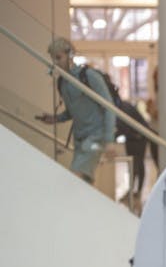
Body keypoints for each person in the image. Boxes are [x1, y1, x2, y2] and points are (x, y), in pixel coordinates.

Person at [35, 37, 116, 184]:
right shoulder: (62, 83)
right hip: (79, 140)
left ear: (70, 55)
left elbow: (109, 107)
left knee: (75, 177)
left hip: (95, 138)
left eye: (59, 57)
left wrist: (109, 140)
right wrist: (55, 118)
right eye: (53, 58)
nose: (55, 62)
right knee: (84, 181)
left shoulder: (89, 76)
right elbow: (71, 112)